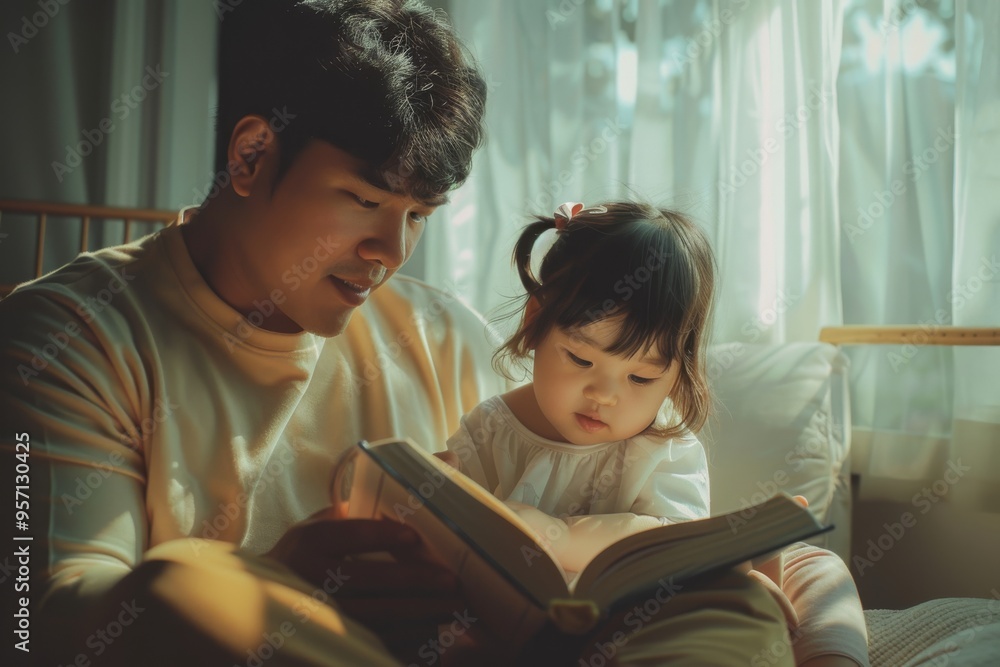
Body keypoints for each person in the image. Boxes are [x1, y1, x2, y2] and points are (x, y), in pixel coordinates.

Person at [0, 2, 796, 666]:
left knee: (739, 601)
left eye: (418, 216)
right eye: (361, 200)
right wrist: (275, 576)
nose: (391, 251)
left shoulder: (440, 329)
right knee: (183, 589)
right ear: (251, 155)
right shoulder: (69, 335)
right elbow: (36, 623)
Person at [441, 201, 870, 667]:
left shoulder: (662, 445)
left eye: (641, 379)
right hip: (524, 633)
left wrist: (558, 538)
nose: (604, 395)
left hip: (645, 623)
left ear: (677, 374)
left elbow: (673, 544)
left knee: (814, 567)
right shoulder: (492, 430)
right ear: (535, 322)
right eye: (581, 360)